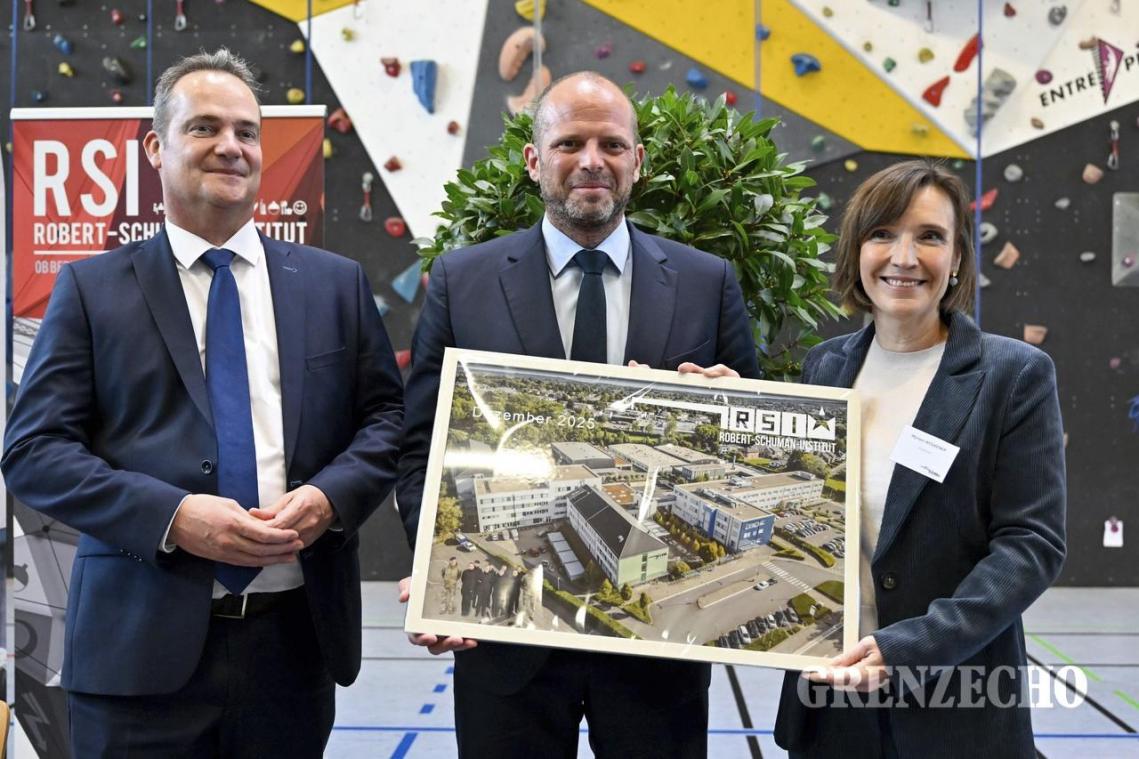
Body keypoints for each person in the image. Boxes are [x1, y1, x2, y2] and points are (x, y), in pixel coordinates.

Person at [1, 49, 404, 757]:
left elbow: (385, 421)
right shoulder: (92, 290)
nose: (231, 146)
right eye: (205, 127)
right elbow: (33, 453)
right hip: (135, 656)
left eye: (246, 131)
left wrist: (331, 497)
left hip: (293, 648)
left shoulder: (334, 285)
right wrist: (173, 517)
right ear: (157, 146)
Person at [397, 70, 759, 758]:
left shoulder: (707, 282)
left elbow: (743, 443)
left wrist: (726, 409)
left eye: (611, 144)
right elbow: (422, 446)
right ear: (535, 161)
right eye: (569, 142)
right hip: (506, 637)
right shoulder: (461, 279)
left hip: (659, 638)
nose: (591, 160)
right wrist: (433, 563)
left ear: (636, 162)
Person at [773, 160, 1066, 758]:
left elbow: (1031, 545)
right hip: (831, 703)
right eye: (883, 234)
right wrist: (720, 413)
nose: (903, 257)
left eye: (929, 237)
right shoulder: (825, 369)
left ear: (957, 257)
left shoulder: (1013, 376)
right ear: (858, 250)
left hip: (956, 701)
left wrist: (913, 648)